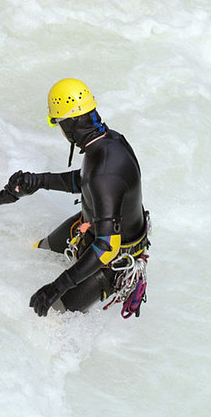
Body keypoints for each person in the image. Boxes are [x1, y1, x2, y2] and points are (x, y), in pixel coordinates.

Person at [8, 78, 151, 317]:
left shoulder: (104, 171)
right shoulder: (110, 140)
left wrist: (56, 287)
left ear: (70, 125)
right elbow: (86, 181)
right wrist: (39, 181)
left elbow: (106, 247)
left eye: (59, 123)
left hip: (113, 262)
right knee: (37, 251)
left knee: (51, 316)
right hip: (88, 227)